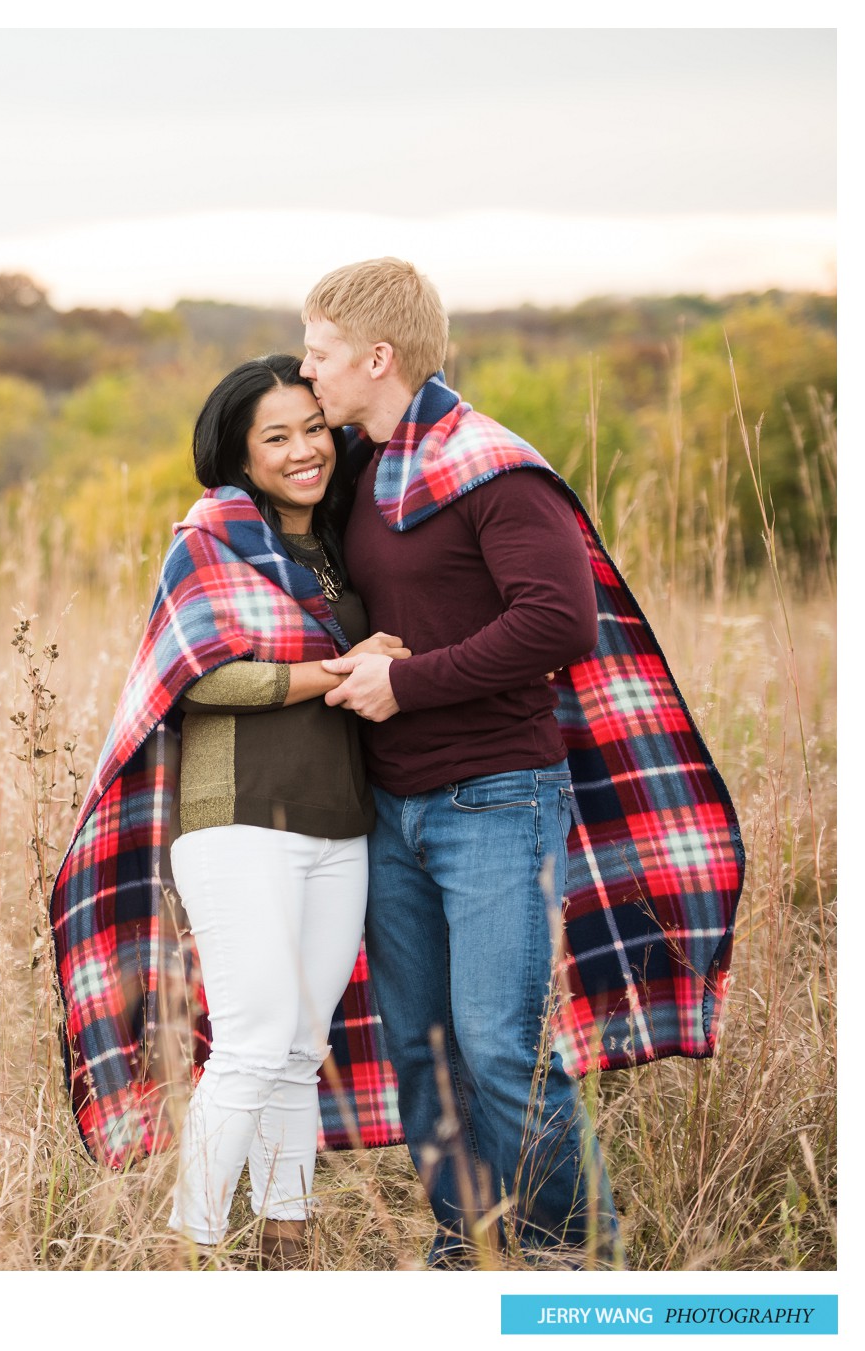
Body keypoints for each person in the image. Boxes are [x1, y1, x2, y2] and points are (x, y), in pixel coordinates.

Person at [299, 257, 745, 1266]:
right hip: (390, 801)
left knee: (501, 1043)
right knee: (422, 1045)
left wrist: (404, 685)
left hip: (496, 796)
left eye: (321, 354)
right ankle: (472, 1247)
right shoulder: (367, 470)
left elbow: (559, 620)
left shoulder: (492, 467)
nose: (308, 370)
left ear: (378, 355)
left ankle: (573, 1257)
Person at [48, 354, 407, 1267]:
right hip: (239, 823)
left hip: (337, 824)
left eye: (313, 428)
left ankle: (286, 1236)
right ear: (241, 456)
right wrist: (346, 668)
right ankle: (189, 1248)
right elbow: (204, 677)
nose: (302, 451)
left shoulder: (336, 546)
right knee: (251, 1038)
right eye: (275, 437)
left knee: (300, 1043)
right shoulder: (210, 536)